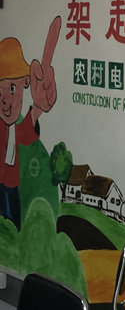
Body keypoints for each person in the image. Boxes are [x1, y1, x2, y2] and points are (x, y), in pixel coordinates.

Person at [0, 17, 60, 228]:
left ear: (25, 82)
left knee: (13, 225)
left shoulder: (19, 127)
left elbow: (28, 126)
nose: (4, 99)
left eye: (11, 89)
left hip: (14, 186)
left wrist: (38, 107)